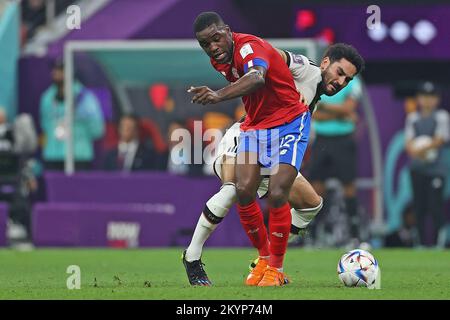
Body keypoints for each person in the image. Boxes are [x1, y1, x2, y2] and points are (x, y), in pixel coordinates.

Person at [186, 12, 364, 286]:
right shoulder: (306, 68)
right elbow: (273, 58)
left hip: (276, 134)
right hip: (247, 131)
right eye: (339, 73)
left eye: (347, 80)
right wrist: (261, 55)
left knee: (311, 205)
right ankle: (193, 256)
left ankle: (267, 261)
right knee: (235, 189)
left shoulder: (312, 96)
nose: (340, 82)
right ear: (326, 62)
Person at [308, 75, 363, 246]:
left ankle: (355, 237)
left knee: (349, 188)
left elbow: (349, 108)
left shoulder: (353, 81)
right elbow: (314, 114)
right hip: (322, 140)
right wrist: (341, 113)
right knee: (316, 190)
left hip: (343, 140)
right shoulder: (317, 78)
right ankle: (315, 236)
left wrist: (324, 106)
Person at [405, 81, 450, 247]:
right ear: (418, 98)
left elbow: (440, 139)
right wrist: (417, 151)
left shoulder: (442, 116)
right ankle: (420, 244)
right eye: (424, 96)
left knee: (435, 206)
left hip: (436, 170)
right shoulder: (413, 118)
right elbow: (408, 144)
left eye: (431, 97)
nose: (427, 100)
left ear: (437, 99)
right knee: (419, 207)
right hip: (417, 169)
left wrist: (422, 150)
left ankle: (439, 244)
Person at [40, 59, 105, 171]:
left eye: (61, 70)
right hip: (53, 155)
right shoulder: (47, 98)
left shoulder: (85, 98)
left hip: (78, 155)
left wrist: (80, 121)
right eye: (55, 69)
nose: (56, 72)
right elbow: (45, 125)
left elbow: (98, 130)